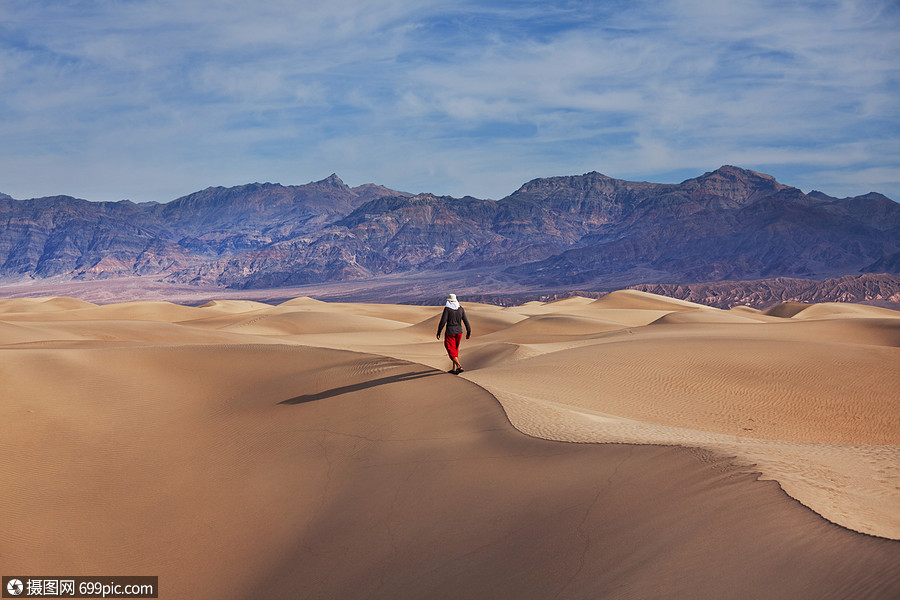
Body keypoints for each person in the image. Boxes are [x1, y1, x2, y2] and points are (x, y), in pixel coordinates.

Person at [436, 293, 471, 374]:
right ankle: (454, 369)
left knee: (450, 349)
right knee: (455, 349)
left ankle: (459, 366)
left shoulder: (447, 309)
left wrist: (439, 331)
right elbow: (466, 321)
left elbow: (443, 321)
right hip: (459, 332)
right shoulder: (461, 309)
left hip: (450, 332)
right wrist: (468, 332)